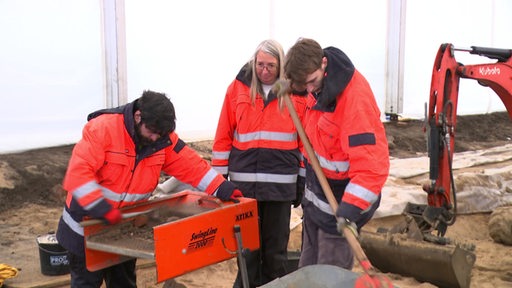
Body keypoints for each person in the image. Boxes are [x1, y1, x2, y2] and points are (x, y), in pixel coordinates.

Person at [56, 90, 242, 287]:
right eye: (151, 131)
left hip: (123, 228)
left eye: (160, 134)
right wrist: (99, 208)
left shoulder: (162, 138)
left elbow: (189, 164)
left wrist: (220, 186)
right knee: (86, 283)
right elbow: (79, 172)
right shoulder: (103, 128)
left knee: (123, 283)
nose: (155, 138)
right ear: (138, 117)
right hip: (84, 227)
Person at [278, 38, 390, 270]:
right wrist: (291, 88)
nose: (310, 90)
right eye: (304, 85)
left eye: (312, 82)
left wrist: (349, 211)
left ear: (324, 63)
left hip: (340, 206)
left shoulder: (354, 102)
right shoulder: (316, 83)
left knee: (330, 275)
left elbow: (372, 168)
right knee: (307, 272)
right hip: (316, 203)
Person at [211, 39, 306, 288]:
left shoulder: (295, 93)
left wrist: (302, 180)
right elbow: (223, 134)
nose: (264, 71)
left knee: (275, 253)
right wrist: (219, 181)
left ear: (281, 65)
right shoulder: (237, 89)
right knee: (247, 252)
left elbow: (305, 141)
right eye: (260, 64)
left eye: (271, 66)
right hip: (244, 189)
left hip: (280, 187)